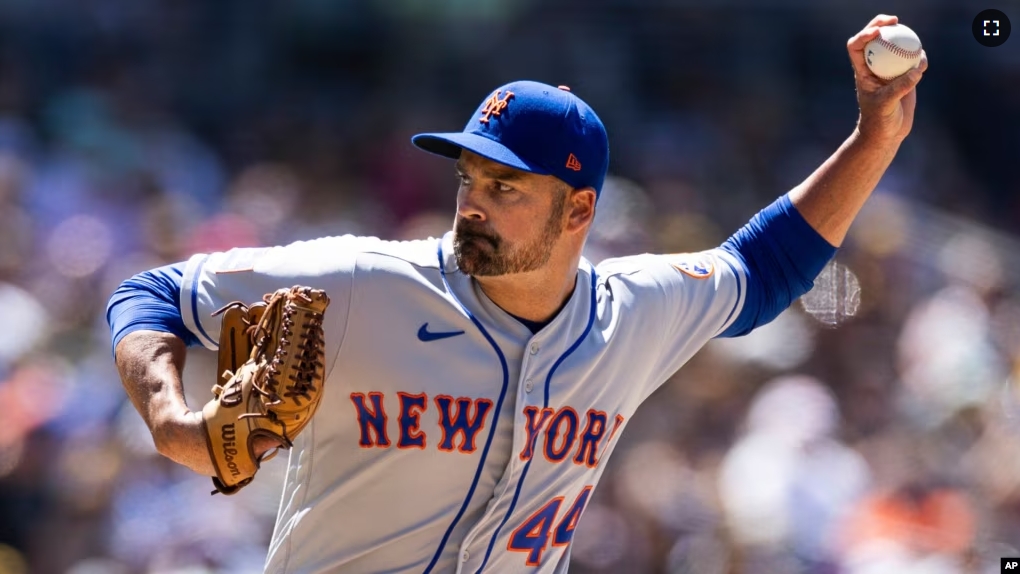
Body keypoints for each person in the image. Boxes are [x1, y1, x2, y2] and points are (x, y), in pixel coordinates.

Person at [107, 15, 927, 574]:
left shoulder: (630, 312)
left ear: (579, 210)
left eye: (506, 187)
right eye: (469, 177)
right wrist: (171, 420)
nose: (473, 202)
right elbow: (151, 295)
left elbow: (764, 270)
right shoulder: (364, 281)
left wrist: (873, 137)